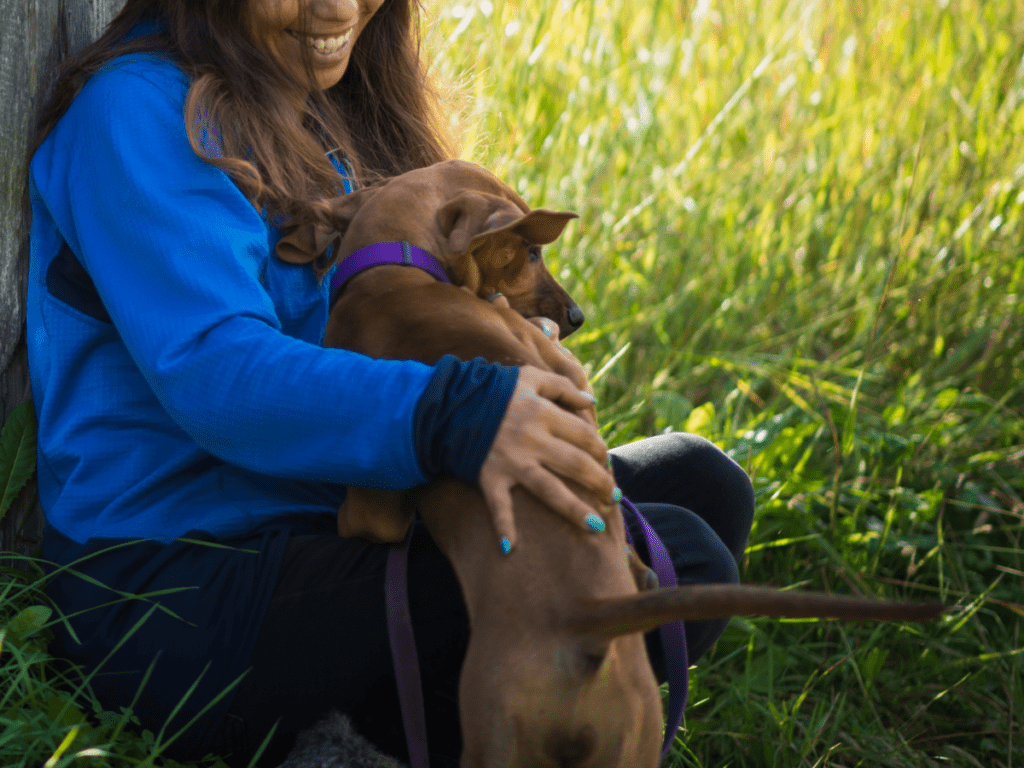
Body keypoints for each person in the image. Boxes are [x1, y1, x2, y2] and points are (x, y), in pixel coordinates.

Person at [27, 0, 754, 766]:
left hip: (328, 512)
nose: (339, 6)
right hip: (185, 588)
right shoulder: (135, 112)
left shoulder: (310, 104)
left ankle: (410, 733)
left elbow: (377, 328)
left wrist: (506, 338)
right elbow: (215, 369)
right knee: (678, 556)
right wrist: (457, 412)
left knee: (700, 481)